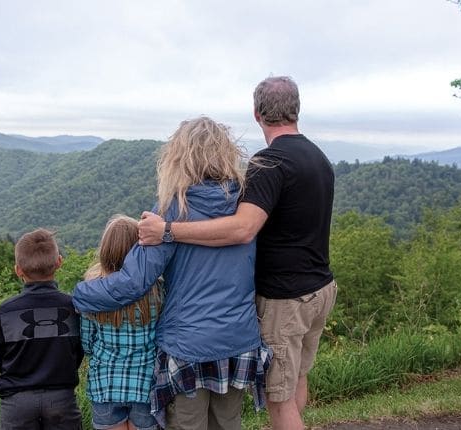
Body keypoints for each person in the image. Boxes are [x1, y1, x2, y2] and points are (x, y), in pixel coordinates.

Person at [138, 76, 337, 430]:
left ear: (257, 113)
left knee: (280, 400)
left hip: (287, 297)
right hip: (321, 288)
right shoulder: (318, 157)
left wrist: (168, 230)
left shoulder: (269, 163)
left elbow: (242, 229)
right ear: (297, 109)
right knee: (296, 382)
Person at [72, 116, 270, 430]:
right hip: (238, 341)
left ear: (178, 157)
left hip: (188, 344)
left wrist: (79, 294)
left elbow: (133, 282)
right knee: (228, 424)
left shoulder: (173, 208)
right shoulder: (248, 206)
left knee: (187, 425)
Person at [0, 228, 84, 430]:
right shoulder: (73, 307)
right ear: (59, 262)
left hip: (16, 401)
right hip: (62, 397)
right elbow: (78, 350)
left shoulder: (6, 311)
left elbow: (0, 356)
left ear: (18, 270)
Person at [80, 215, 162, 430]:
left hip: (105, 384)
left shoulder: (91, 291)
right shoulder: (158, 289)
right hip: (146, 385)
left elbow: (87, 344)